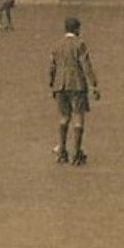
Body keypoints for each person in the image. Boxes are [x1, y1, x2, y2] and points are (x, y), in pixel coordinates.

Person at [48, 16, 100, 166]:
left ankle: (62, 151)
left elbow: (51, 66)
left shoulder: (56, 45)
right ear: (77, 29)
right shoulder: (80, 44)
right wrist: (94, 85)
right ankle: (76, 153)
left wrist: (52, 82)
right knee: (78, 117)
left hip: (60, 85)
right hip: (76, 84)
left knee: (64, 117)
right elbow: (86, 65)